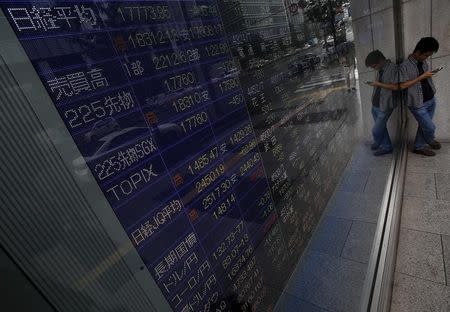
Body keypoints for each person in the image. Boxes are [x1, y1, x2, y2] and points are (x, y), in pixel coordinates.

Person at [399, 37, 441, 156]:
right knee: (430, 127)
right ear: (418, 52)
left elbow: (425, 78)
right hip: (417, 103)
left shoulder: (423, 62)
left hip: (431, 99)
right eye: (426, 55)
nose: (427, 58)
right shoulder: (404, 66)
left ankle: (419, 146)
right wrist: (421, 77)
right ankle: (429, 139)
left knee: (424, 125)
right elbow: (401, 85)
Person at [365, 50, 399, 156]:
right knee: (381, 127)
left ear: (380, 61)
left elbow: (396, 86)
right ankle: (386, 145)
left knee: (376, 130)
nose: (373, 68)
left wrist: (378, 84)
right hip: (375, 104)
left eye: (374, 66)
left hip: (385, 105)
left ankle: (380, 141)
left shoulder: (392, 68)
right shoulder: (380, 69)